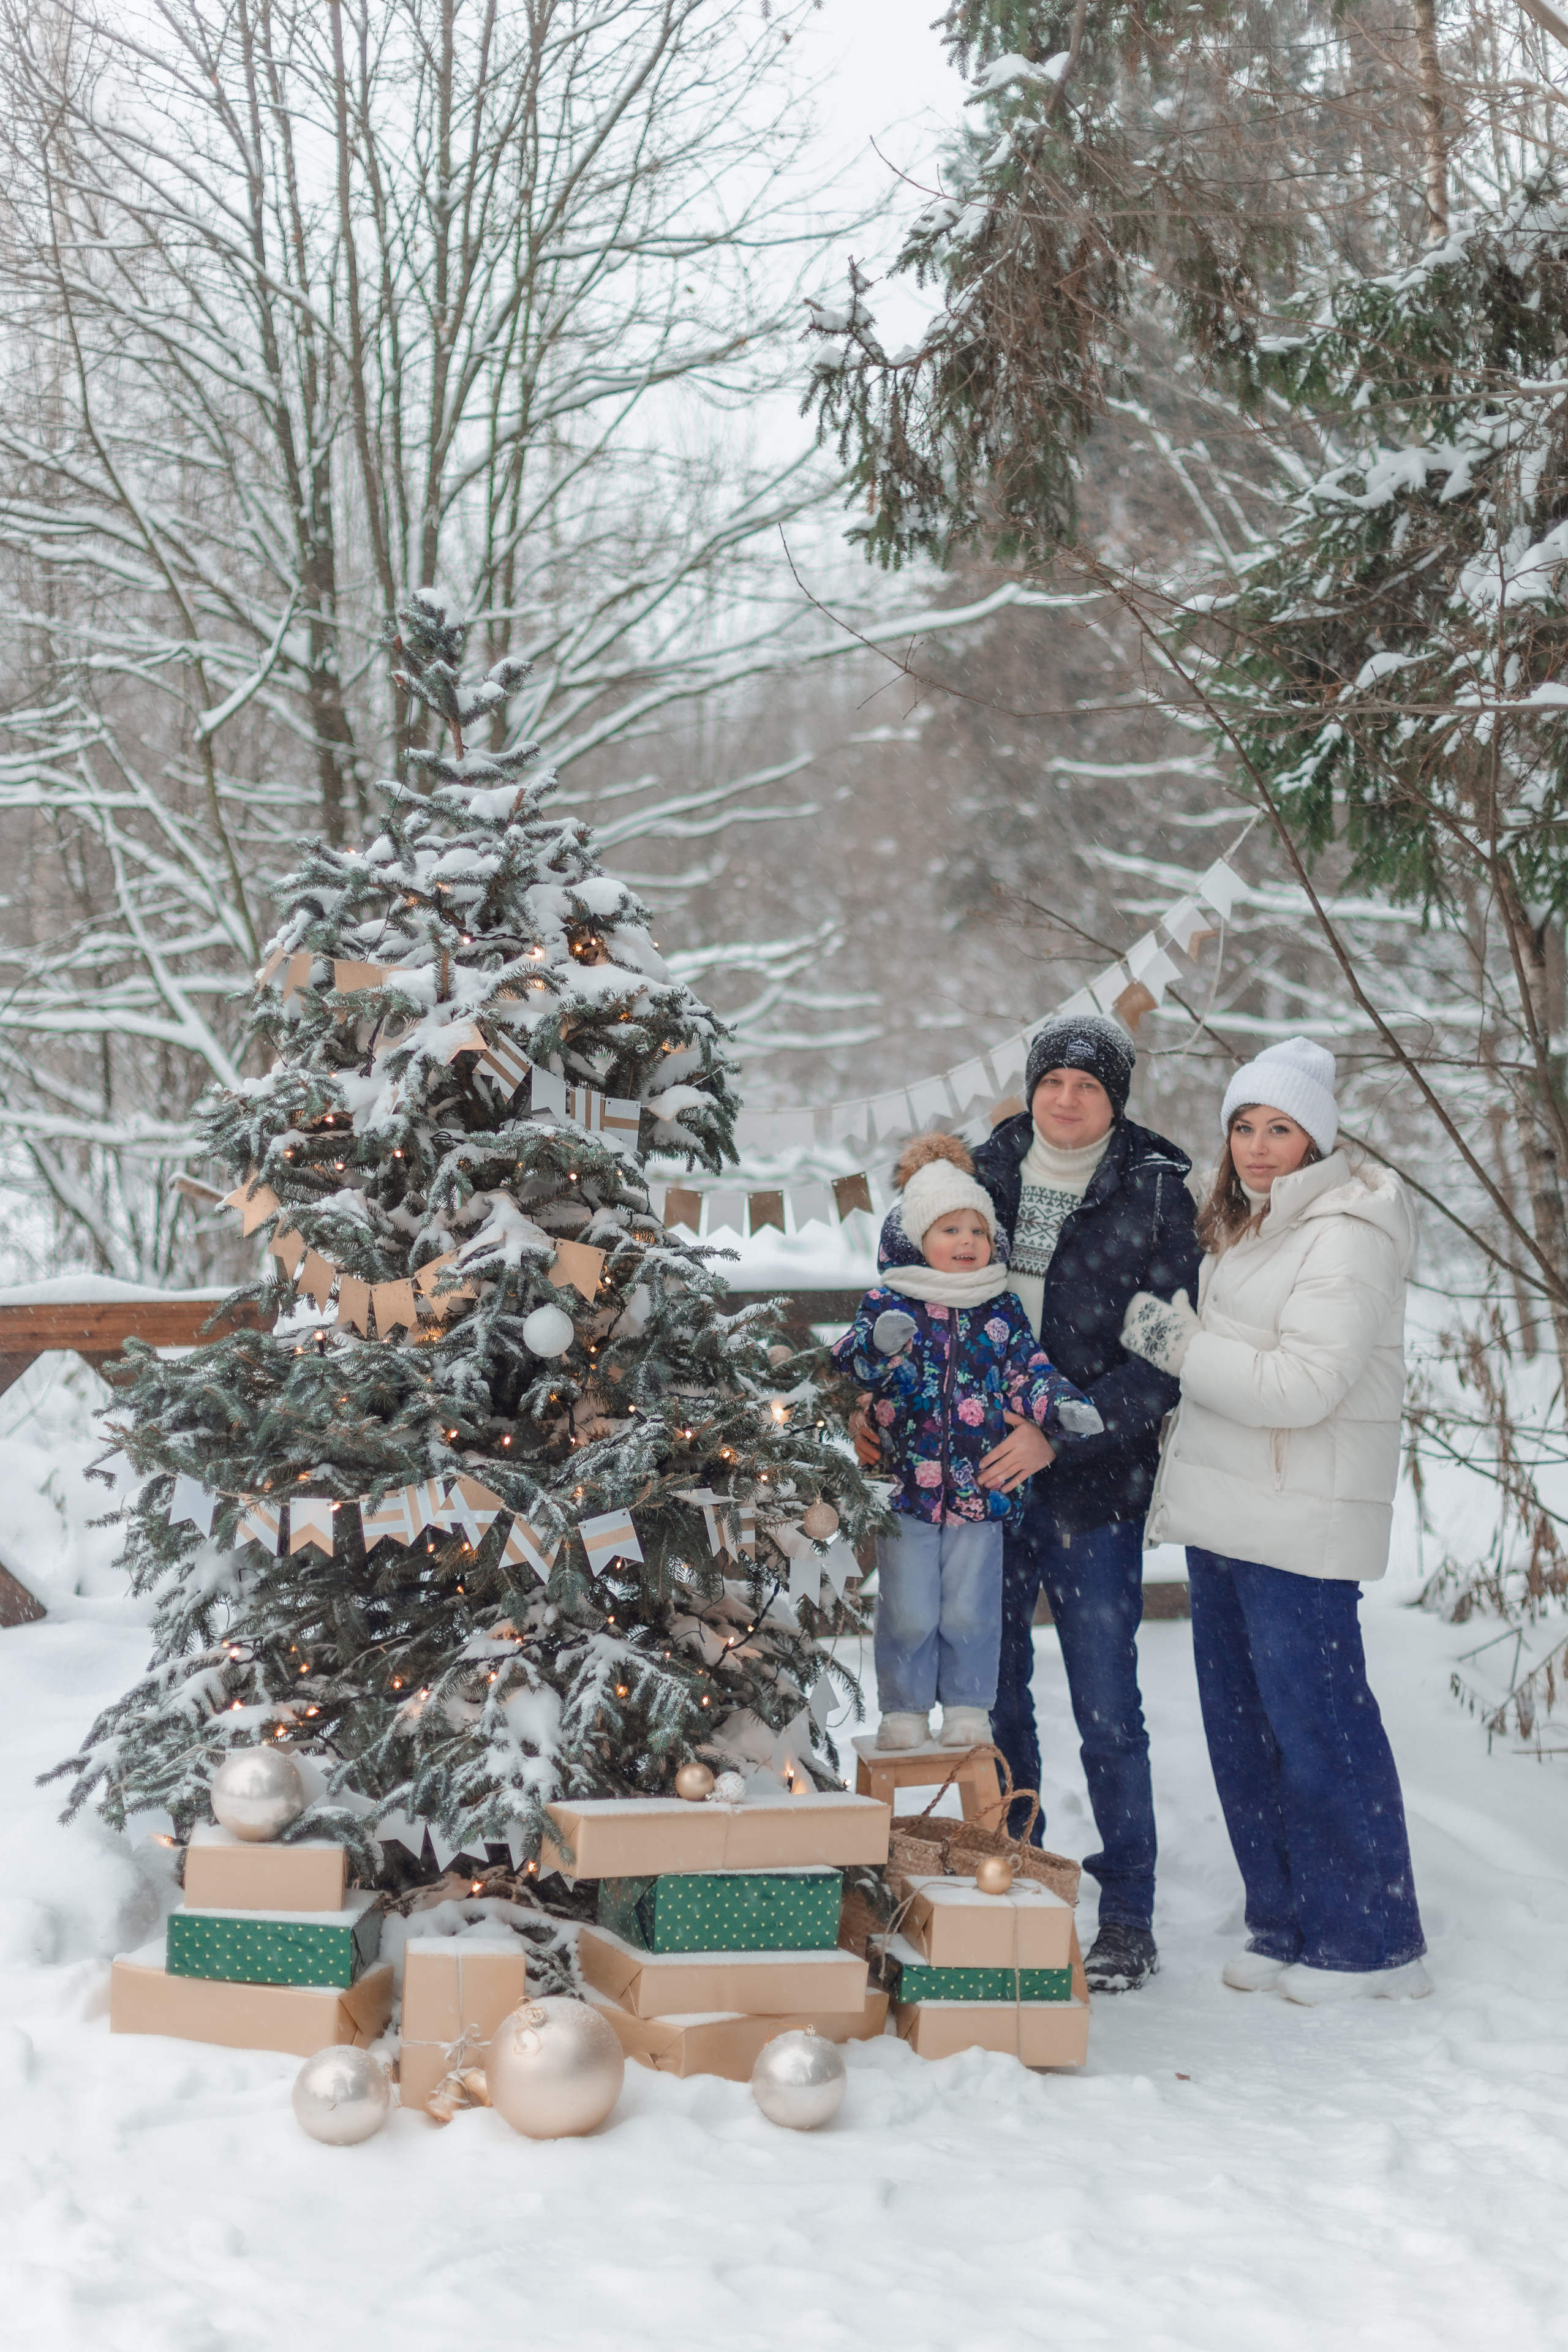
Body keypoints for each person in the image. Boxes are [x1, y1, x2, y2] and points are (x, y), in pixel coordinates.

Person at [851, 1014, 1199, 1995]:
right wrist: (871, 1402)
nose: (1066, 1099)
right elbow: (899, 1290)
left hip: (1092, 1490)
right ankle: (1014, 1873)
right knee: (990, 1697)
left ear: (1115, 1099)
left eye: (1088, 1085)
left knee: (1107, 1705)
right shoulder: (985, 1169)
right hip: (972, 1490)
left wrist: (1063, 1431)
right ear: (1032, 1087)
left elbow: (1163, 1357)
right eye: (1053, 1081)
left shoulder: (1157, 1190)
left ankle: (1126, 1911)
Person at [1121, 1036, 1430, 2003]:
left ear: (1318, 1138)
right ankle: (1285, 1921)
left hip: (1299, 1522)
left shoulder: (1348, 1230)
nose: (1258, 1146)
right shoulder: (1247, 1225)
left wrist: (1176, 1342)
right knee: (1244, 1731)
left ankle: (1372, 1944)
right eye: (1245, 1127)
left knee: (1321, 1728)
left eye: (1280, 1128)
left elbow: (1301, 1386)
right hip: (1228, 1515)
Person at [832, 1134, 1102, 1754]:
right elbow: (851, 1365)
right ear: (917, 1239)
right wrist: (879, 1345)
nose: (965, 1242)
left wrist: (1059, 1409)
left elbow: (1028, 1372)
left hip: (982, 1493)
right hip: (907, 1494)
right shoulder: (890, 1303)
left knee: (970, 1613)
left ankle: (967, 1707)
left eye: (976, 1231)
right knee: (908, 1611)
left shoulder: (999, 1309)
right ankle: (904, 1709)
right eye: (949, 1229)